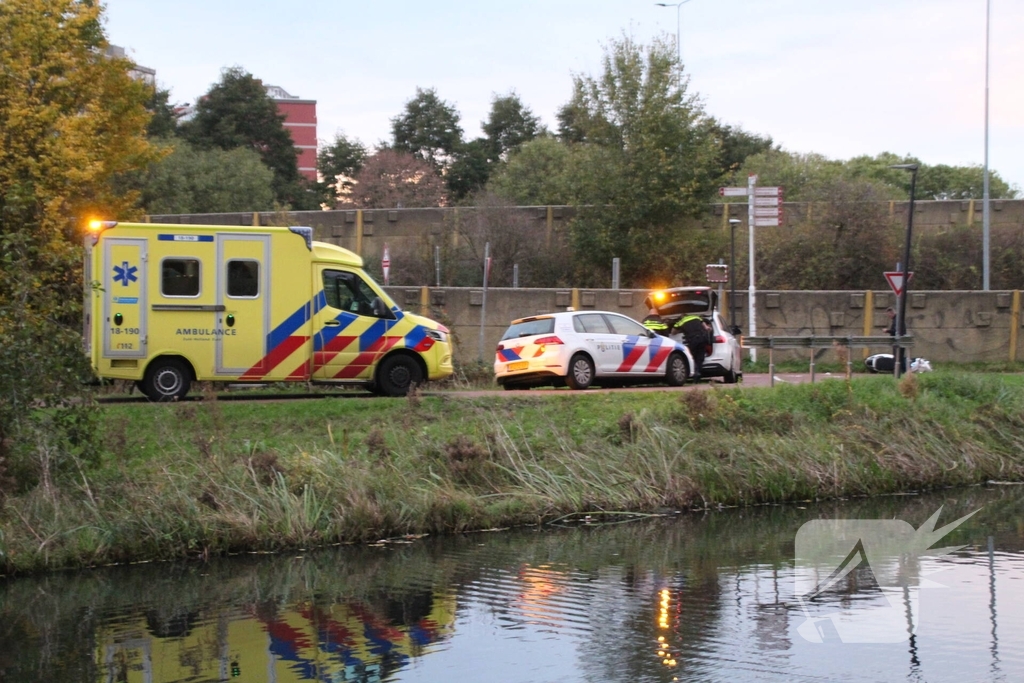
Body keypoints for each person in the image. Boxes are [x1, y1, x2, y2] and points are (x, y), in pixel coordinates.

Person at [674, 314, 711, 380]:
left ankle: (695, 372)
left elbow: (673, 332)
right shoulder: (697, 317)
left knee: (692, 356)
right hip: (702, 338)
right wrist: (708, 328)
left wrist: (680, 330)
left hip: (692, 340)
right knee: (700, 356)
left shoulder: (681, 321)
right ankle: (698, 372)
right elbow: (705, 327)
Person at [884, 307, 908, 373]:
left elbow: (896, 331)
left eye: (889, 315)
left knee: (898, 357)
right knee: (900, 357)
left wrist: (887, 331)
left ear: (892, 313)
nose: (888, 317)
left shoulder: (897, 320)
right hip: (901, 341)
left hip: (898, 341)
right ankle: (903, 371)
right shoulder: (898, 319)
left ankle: (899, 371)